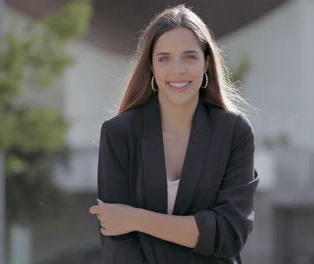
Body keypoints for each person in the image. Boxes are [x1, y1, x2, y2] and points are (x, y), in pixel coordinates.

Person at [88, 4, 259, 264]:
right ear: (151, 68)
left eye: (189, 57)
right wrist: (196, 229)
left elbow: (229, 234)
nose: (177, 69)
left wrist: (136, 218)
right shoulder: (119, 134)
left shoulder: (234, 132)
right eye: (164, 58)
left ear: (207, 63)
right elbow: (117, 245)